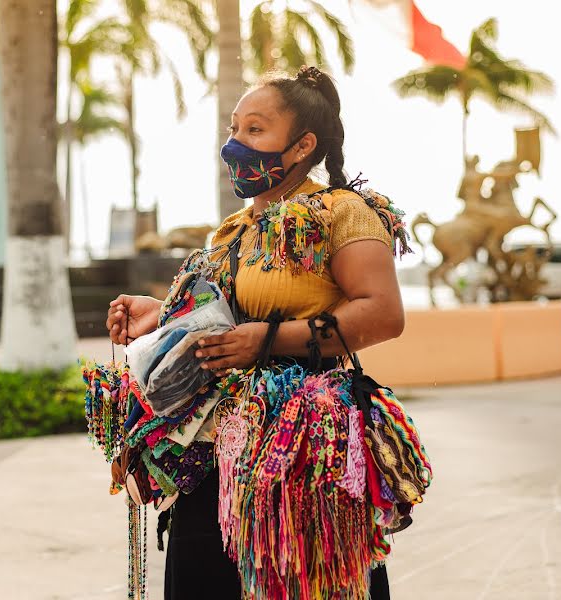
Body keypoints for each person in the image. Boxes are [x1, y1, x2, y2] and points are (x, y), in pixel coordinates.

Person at [106, 66, 410, 599]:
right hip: (212, 451)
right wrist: (159, 314)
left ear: (302, 146)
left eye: (254, 130)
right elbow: (217, 314)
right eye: (233, 129)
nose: (234, 146)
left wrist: (266, 340)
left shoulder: (343, 212)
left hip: (301, 454)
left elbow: (383, 314)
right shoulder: (233, 229)